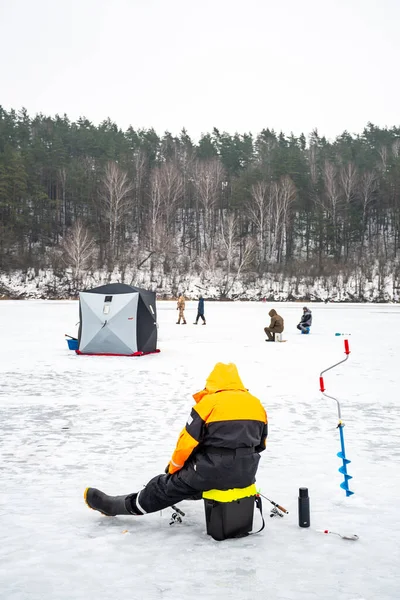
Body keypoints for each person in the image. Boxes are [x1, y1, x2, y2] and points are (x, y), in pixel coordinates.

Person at [84, 362, 268, 517]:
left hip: (209, 473)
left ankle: (115, 506)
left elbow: (185, 445)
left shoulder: (208, 404)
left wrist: (173, 470)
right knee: (199, 478)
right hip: (246, 475)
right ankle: (196, 488)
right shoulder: (256, 404)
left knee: (162, 485)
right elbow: (261, 444)